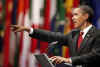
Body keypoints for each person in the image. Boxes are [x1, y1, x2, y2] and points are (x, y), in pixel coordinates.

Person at [11, 5, 100, 67]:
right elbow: (53, 36)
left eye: (76, 15)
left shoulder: (97, 34)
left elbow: (94, 55)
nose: (72, 18)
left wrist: (68, 60)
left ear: (85, 16)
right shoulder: (73, 34)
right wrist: (29, 29)